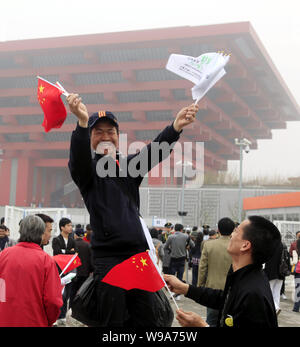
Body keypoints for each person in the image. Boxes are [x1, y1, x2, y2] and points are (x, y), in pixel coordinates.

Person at [67, 92, 198, 327]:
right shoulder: (87, 171)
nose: (105, 136)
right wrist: (82, 124)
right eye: (98, 132)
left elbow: (154, 151)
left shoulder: (129, 166)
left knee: (149, 319)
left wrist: (175, 127)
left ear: (118, 136)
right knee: (113, 324)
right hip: (109, 260)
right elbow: (77, 160)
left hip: (138, 257)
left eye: (111, 132)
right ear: (90, 137)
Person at [164, 216, 281, 327]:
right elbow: (224, 299)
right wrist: (185, 288)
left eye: (236, 231)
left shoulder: (253, 294)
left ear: (245, 245)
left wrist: (202, 325)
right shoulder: (242, 275)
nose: (231, 235)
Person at [0, 215, 62, 326]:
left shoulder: (4, 255)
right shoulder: (46, 260)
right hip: (34, 320)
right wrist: (49, 320)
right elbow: (53, 300)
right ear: (41, 233)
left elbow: (2, 289)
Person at [197, 217, 235, 326]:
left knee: (211, 321)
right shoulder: (237, 247)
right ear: (233, 229)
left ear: (218, 229)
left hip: (212, 289)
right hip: (232, 291)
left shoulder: (209, 245)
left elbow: (202, 268)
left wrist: (200, 286)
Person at [52, 217, 77, 325]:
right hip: (59, 270)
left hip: (70, 270)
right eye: (68, 225)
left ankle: (63, 316)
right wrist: (68, 252)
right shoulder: (56, 239)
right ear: (62, 227)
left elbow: (75, 252)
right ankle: (58, 316)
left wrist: (65, 252)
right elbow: (57, 253)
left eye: (71, 225)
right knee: (60, 293)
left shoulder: (72, 240)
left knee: (67, 294)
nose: (71, 227)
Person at [164, 223, 194, 300]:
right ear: (181, 229)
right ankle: (178, 294)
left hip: (173, 258)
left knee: (172, 276)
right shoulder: (186, 236)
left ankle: (172, 292)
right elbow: (193, 245)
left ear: (174, 229)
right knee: (180, 276)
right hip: (182, 259)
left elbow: (165, 247)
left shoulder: (171, 237)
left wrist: (171, 250)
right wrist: (186, 247)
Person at [69, 228, 94, 308]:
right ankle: (79, 309)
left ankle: (71, 308)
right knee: (82, 292)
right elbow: (91, 260)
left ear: (75, 235)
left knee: (72, 292)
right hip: (85, 273)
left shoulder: (72, 245)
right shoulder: (88, 245)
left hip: (73, 273)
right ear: (83, 235)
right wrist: (91, 270)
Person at [264, 241, 284, 315]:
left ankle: (275, 307)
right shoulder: (283, 245)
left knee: (269, 291)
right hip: (281, 272)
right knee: (277, 292)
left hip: (270, 272)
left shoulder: (269, 245)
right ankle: (276, 307)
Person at [293, 238, 300, 313]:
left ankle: (296, 307)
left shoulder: (296, 251)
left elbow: (293, 262)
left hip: (298, 272)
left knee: (298, 290)